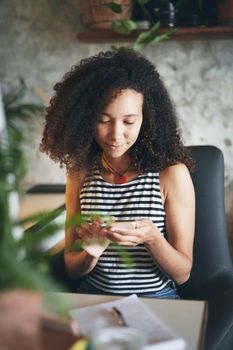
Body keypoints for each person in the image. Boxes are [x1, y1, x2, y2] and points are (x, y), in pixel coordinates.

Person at [40, 48, 195, 299]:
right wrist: (91, 251)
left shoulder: (171, 175)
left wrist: (152, 238)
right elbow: (72, 268)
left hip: (156, 298)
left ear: (147, 118)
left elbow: (182, 273)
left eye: (129, 121)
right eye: (103, 120)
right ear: (85, 118)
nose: (115, 135)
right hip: (95, 296)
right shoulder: (79, 173)